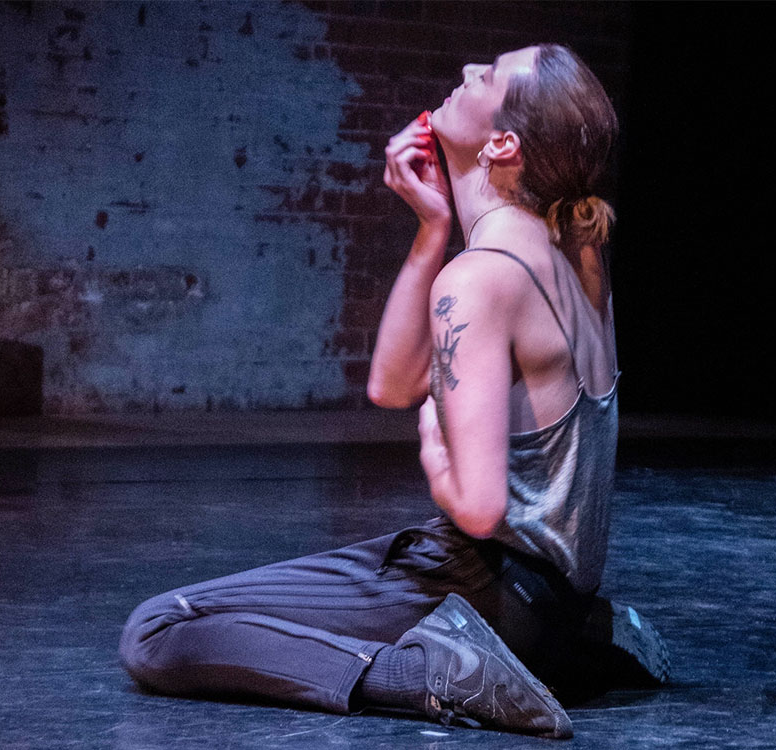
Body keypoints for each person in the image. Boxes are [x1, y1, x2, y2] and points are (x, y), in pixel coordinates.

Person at [119, 44, 668, 739]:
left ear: (503, 141)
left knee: (160, 628)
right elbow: (394, 383)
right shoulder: (577, 254)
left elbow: (478, 506)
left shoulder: (484, 277)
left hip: (480, 590)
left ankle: (425, 671)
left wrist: (437, 451)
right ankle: (579, 644)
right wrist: (431, 227)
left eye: (488, 76)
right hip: (550, 603)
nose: (468, 72)